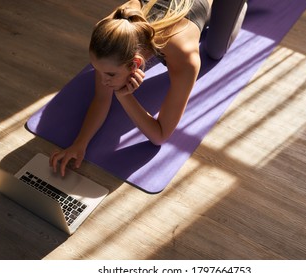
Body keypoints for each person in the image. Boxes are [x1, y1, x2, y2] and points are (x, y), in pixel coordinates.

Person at [50, 0, 213, 176]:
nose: (103, 81)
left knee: (216, 50)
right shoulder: (113, 29)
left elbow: (159, 136)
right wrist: (80, 143)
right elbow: (102, 98)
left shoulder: (185, 56)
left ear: (136, 63)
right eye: (98, 70)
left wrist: (124, 96)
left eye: (110, 75)